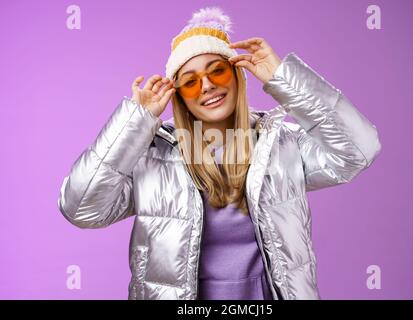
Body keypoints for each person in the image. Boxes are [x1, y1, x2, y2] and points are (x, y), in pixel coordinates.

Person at [57, 7, 381, 300]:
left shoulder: (281, 145)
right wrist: (135, 122)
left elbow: (358, 150)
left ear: (237, 74)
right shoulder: (151, 156)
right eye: (190, 82)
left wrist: (284, 79)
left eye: (218, 71)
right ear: (179, 96)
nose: (207, 86)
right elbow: (80, 207)